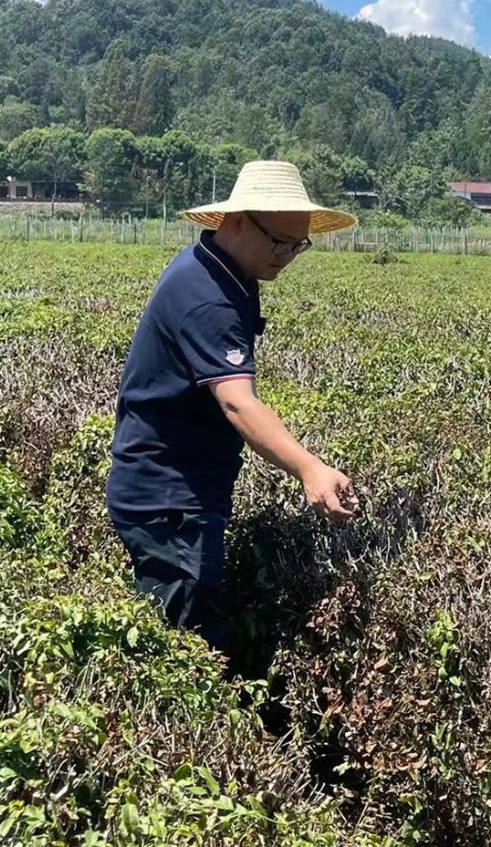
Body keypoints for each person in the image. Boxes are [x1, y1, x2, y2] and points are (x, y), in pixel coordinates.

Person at [105, 160, 360, 659]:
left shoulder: (217, 270)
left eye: (298, 246)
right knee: (184, 646)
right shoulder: (210, 300)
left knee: (185, 622)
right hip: (168, 499)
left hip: (177, 489)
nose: (287, 256)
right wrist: (309, 468)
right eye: (279, 242)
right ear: (238, 221)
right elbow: (239, 403)